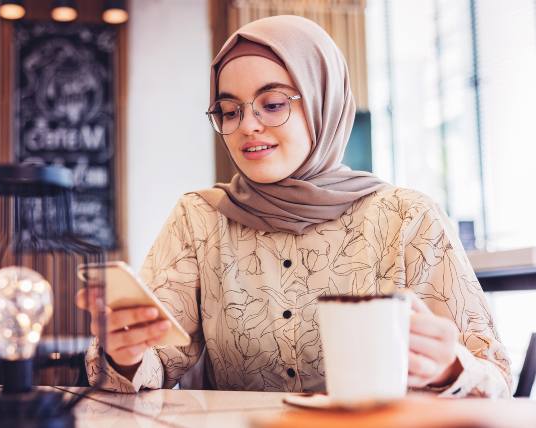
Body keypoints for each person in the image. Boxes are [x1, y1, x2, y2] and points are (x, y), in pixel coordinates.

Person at [78, 15, 512, 397]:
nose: (247, 125)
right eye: (229, 111)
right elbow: (152, 364)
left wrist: (449, 369)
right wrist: (127, 353)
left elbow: (494, 377)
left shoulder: (406, 218)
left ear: (323, 101)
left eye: (272, 104)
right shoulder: (200, 219)